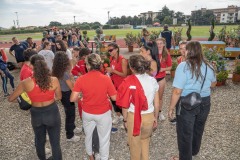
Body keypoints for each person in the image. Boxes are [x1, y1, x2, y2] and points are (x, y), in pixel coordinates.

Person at [168, 41, 216, 160]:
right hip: (205, 101)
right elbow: (214, 84)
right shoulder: (209, 66)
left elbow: (177, 91)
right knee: (198, 128)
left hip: (187, 102)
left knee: (185, 132)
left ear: (189, 51)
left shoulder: (183, 66)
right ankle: (194, 151)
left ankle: (185, 157)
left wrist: (171, 107)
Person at [8, 54, 62, 160]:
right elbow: (59, 97)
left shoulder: (25, 82)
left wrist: (25, 102)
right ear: (46, 66)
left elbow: (11, 99)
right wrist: (48, 99)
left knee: (40, 141)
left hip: (36, 113)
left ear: (32, 66)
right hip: (51, 111)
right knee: (55, 142)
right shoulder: (54, 80)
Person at [70, 53, 117, 160]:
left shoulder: (81, 79)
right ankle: (104, 158)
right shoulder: (105, 78)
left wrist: (82, 97)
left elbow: (72, 99)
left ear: (87, 65)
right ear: (99, 64)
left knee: (88, 135)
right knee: (104, 139)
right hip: (103, 112)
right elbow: (114, 98)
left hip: (87, 112)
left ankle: (91, 156)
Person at [116, 55, 159, 160]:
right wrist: (155, 118)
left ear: (131, 68)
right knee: (145, 141)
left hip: (133, 117)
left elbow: (125, 105)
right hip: (149, 116)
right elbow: (157, 103)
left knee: (134, 146)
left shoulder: (127, 82)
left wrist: (125, 120)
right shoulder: (152, 80)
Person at [52, 51, 81, 142]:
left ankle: (73, 127)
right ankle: (70, 135)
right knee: (70, 114)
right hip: (67, 94)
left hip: (62, 93)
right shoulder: (64, 73)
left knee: (69, 113)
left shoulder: (56, 70)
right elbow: (72, 87)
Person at [105, 42, 128, 126]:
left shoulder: (123, 60)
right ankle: (119, 116)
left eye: (111, 50)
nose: (109, 52)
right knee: (114, 101)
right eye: (108, 50)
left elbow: (125, 74)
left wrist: (113, 71)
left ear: (117, 49)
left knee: (122, 103)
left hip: (121, 85)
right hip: (113, 84)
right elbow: (112, 71)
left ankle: (126, 119)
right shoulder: (111, 59)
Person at [155, 38, 172, 121]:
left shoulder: (166, 55)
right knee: (151, 97)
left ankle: (160, 112)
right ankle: (152, 112)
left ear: (164, 44)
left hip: (161, 79)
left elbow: (170, 66)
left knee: (160, 97)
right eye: (157, 43)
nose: (159, 45)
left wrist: (163, 69)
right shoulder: (152, 54)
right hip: (152, 79)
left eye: (160, 43)